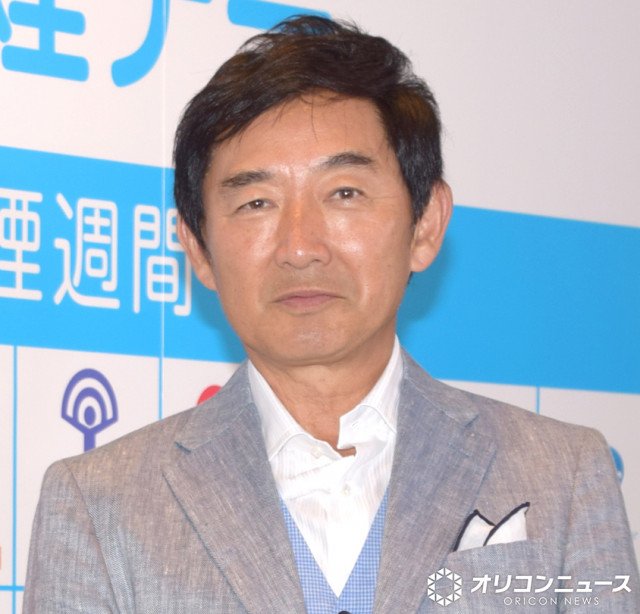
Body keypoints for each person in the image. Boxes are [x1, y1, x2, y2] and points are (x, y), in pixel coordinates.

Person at [24, 16, 638, 613]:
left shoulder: (563, 475)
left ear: (426, 224)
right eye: (256, 202)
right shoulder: (99, 503)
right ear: (198, 248)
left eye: (344, 193)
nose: (300, 246)